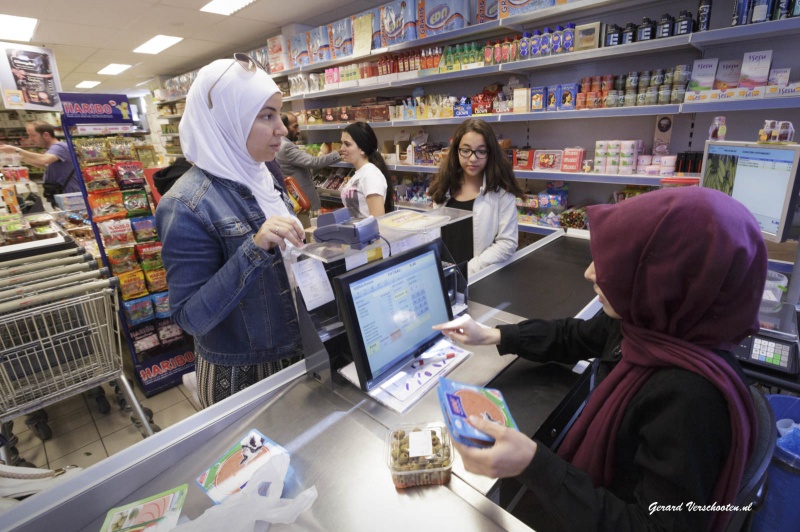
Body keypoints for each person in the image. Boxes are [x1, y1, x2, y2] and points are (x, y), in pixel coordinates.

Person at [433, 187, 766, 531]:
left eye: (618, 263)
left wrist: (533, 462)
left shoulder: (691, 401)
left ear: (671, 279)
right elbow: (574, 335)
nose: (591, 273)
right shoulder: (649, 322)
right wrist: (495, 335)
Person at [155, 54, 305, 408]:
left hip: (295, 349)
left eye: (278, 114)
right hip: (242, 376)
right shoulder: (186, 204)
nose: (282, 129)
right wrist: (254, 250)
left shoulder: (265, 174)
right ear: (227, 121)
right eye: (267, 115)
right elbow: (191, 317)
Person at [427, 118, 524, 276]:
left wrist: (468, 270)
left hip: (480, 281)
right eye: (466, 150)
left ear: (490, 153)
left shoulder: (501, 193)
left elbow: (507, 243)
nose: (472, 158)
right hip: (445, 278)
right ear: (456, 151)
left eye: (481, 151)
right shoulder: (443, 189)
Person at [0, 121, 80, 206]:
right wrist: (18, 157)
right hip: (61, 194)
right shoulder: (53, 149)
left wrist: (16, 150)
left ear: (46, 135)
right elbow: (41, 164)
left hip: (69, 196)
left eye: (33, 135)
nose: (30, 139)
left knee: (73, 219)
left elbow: (44, 160)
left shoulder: (60, 147)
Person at [277, 112, 341, 212]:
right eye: (295, 127)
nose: (299, 130)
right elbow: (313, 162)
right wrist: (339, 154)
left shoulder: (277, 143)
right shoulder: (286, 146)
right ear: (284, 127)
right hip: (304, 200)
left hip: (296, 199)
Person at [339, 121, 393, 218]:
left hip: (365, 233)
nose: (342, 148)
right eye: (341, 143)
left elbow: (377, 219)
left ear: (362, 149)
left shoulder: (371, 175)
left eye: (347, 144)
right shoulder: (360, 173)